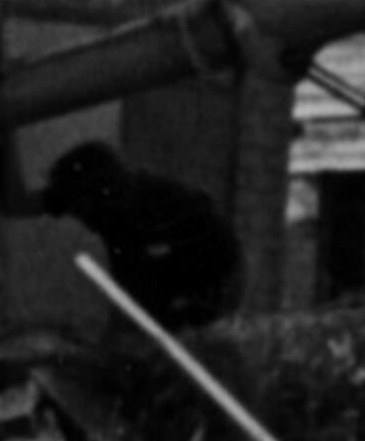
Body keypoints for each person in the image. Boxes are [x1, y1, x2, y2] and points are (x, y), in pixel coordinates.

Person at [36, 136, 240, 332]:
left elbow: (130, 296)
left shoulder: (124, 216)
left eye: (77, 209)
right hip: (206, 265)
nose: (76, 216)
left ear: (91, 197)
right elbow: (21, 204)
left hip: (211, 271)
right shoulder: (101, 198)